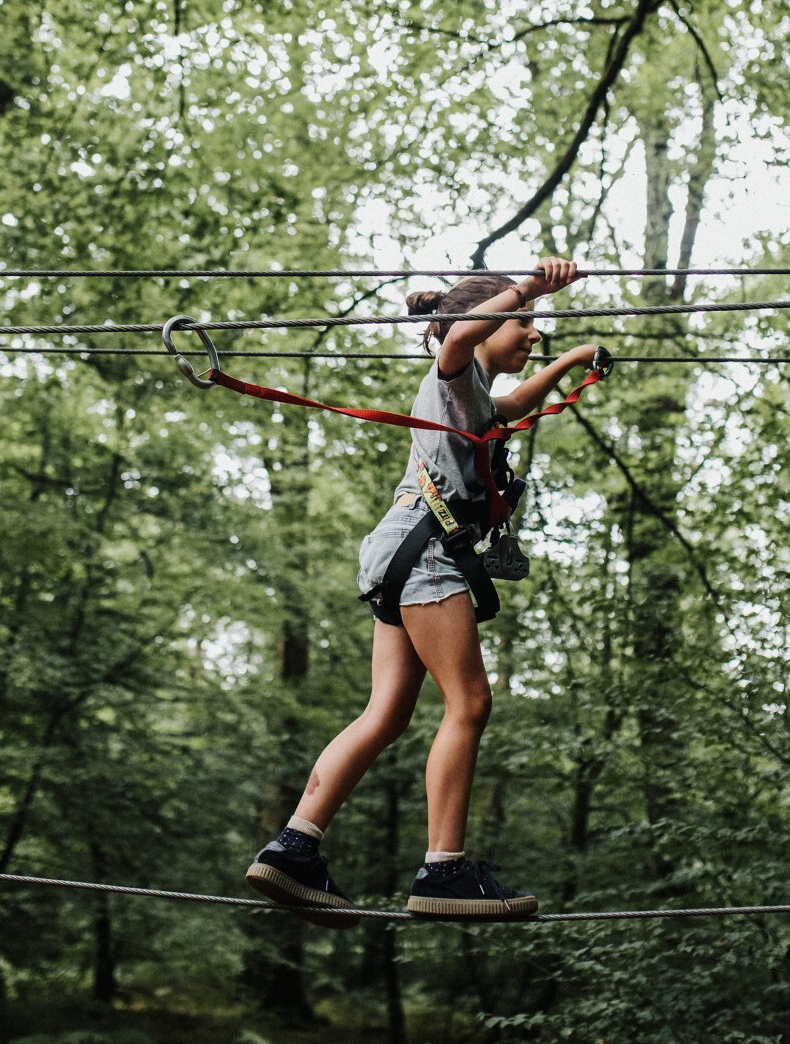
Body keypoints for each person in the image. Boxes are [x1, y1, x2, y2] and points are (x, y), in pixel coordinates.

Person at [245, 256, 606, 925]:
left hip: (401, 552)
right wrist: (528, 287)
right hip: (426, 554)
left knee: (386, 713)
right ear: (482, 319)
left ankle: (295, 845)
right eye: (524, 323)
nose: (532, 334)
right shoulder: (454, 367)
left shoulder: (472, 394)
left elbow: (512, 404)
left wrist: (575, 360)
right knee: (469, 703)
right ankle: (444, 867)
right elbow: (463, 337)